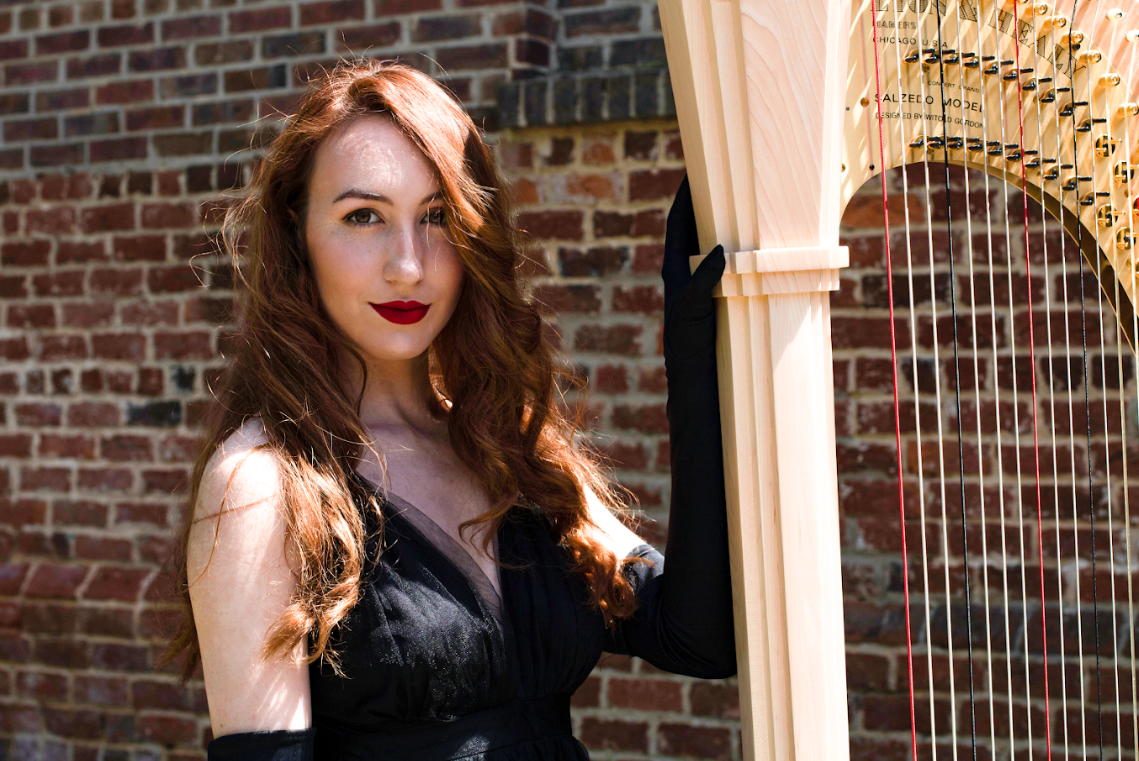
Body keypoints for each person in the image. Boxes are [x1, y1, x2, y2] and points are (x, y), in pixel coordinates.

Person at [158, 58, 734, 760]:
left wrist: (699, 361)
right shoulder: (261, 485)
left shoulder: (508, 443)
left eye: (435, 217)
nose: (408, 263)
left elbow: (700, 636)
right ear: (296, 236)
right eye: (363, 216)